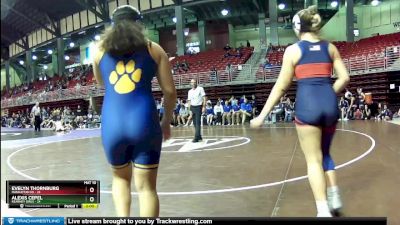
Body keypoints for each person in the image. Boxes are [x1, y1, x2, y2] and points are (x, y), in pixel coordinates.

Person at [250, 5, 350, 217]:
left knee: (313, 160)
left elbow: (281, 86)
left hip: (308, 105)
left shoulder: (293, 51)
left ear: (297, 28)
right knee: (326, 154)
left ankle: (323, 211)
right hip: (329, 105)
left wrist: (261, 115)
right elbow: (345, 78)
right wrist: (328, 93)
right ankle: (334, 195)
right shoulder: (330, 48)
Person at [91, 5, 177, 217]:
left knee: (120, 179)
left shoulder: (98, 52)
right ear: (139, 24)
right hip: (144, 122)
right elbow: (170, 92)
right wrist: (166, 121)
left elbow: (102, 84)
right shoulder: (154, 49)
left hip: (113, 123)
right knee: (147, 188)